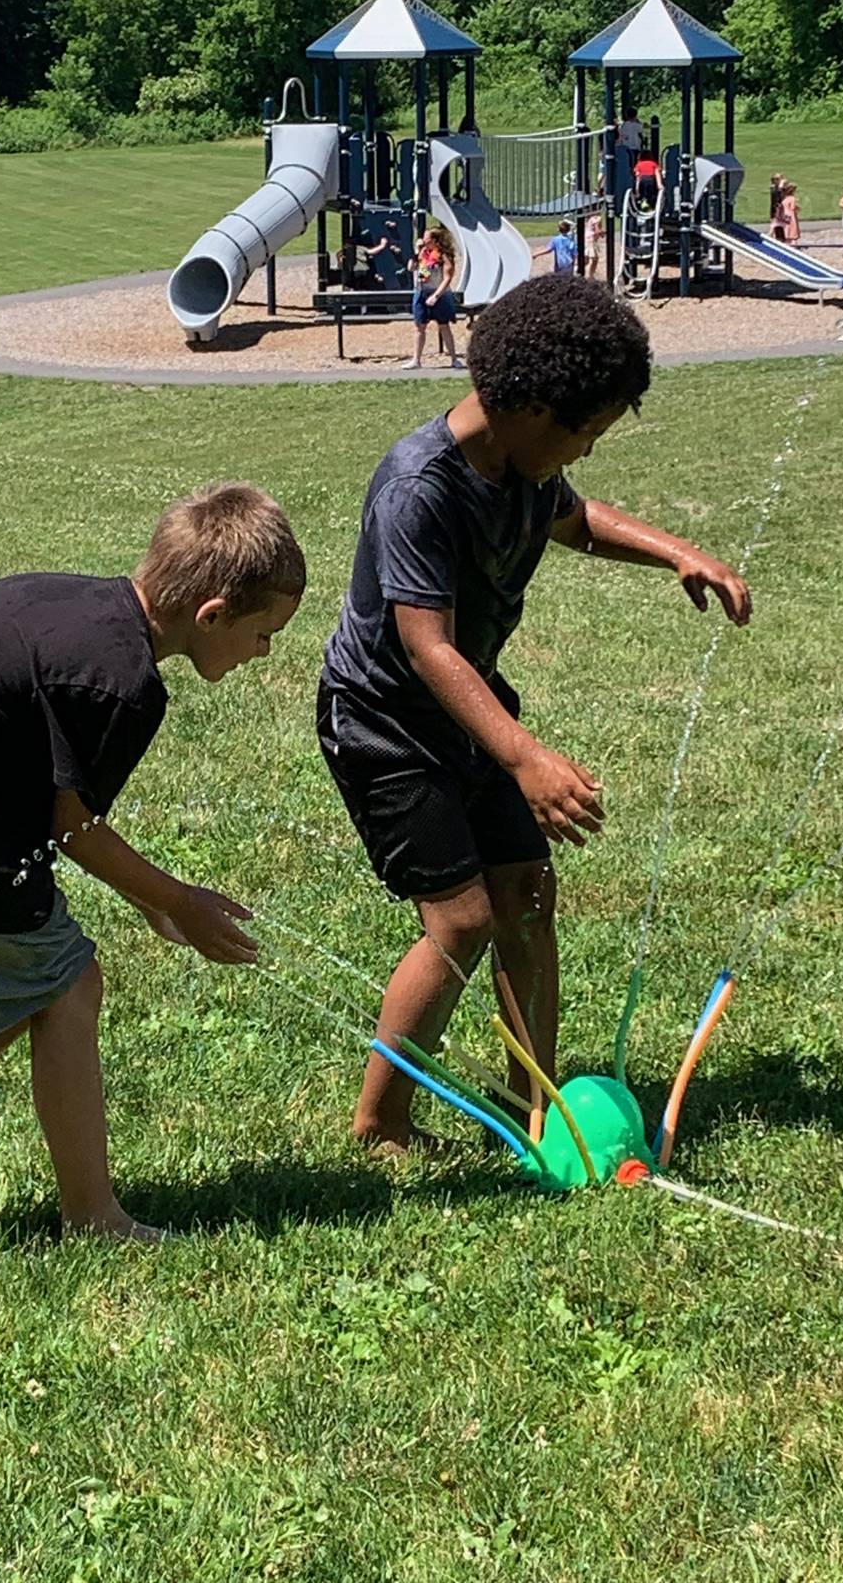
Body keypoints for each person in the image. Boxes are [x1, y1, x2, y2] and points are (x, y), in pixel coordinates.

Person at [317, 274, 751, 1152]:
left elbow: (578, 519)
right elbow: (426, 647)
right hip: (385, 727)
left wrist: (677, 553)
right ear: (529, 407)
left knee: (525, 895)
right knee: (462, 919)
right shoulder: (420, 489)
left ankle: (537, 1105)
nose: (585, 452)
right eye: (583, 432)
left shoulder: (522, 465)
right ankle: (380, 1122)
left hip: (468, 710)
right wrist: (524, 757)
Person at [0, 482, 305, 1238]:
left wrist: (152, 901)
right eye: (263, 634)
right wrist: (176, 898)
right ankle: (93, 1215)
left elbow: (59, 803)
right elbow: (75, 830)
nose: (263, 653)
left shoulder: (90, 610)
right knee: (67, 987)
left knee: (16, 990)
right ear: (213, 614)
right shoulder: (123, 683)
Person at [405, 223, 461, 371]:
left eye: (427, 238)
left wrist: (436, 296)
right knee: (419, 327)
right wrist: (416, 253)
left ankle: (454, 359)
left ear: (435, 240)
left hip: (439, 293)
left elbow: (447, 278)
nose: (423, 241)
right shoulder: (423, 253)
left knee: (443, 325)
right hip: (421, 291)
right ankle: (416, 360)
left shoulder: (444, 256)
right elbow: (410, 268)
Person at [615, 107, 644, 190]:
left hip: (626, 148)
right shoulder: (637, 125)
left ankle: (628, 181)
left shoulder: (623, 125)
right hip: (635, 147)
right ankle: (635, 182)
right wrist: (637, 120)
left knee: (627, 166)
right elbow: (641, 130)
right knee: (635, 166)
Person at [776, 181, 801, 246]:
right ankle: (794, 246)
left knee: (787, 230)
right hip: (791, 215)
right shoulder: (792, 198)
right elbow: (792, 208)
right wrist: (797, 208)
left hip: (785, 215)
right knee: (793, 232)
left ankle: (787, 244)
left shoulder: (785, 198)